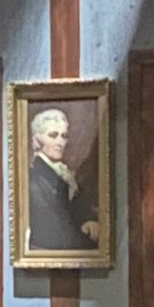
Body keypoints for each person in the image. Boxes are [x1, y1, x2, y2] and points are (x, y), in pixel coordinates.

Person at [25, 101, 102, 257]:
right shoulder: (35, 182)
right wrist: (94, 246)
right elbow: (57, 234)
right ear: (37, 141)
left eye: (64, 136)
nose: (60, 142)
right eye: (53, 135)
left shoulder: (65, 175)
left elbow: (77, 207)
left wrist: (88, 219)